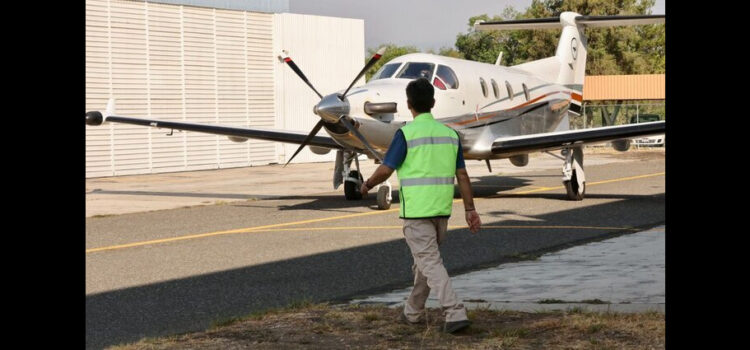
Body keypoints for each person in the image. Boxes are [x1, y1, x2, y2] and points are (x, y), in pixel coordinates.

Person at [360, 77, 481, 334]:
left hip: (416, 213)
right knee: (425, 265)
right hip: (441, 213)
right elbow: (462, 176)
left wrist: (367, 184)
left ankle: (455, 311)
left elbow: (385, 169)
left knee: (430, 264)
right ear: (433, 103)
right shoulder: (450, 135)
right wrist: (470, 210)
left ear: (409, 104)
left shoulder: (405, 134)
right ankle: (412, 313)